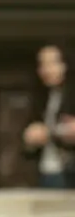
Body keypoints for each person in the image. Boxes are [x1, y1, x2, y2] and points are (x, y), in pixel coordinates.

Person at [22, 42, 75, 189]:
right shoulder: (43, 97)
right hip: (46, 169)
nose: (47, 70)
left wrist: (50, 133)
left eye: (52, 63)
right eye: (42, 64)